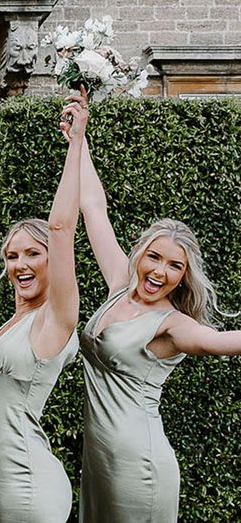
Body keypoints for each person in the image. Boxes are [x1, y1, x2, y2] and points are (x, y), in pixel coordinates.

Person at [78, 109, 241, 523]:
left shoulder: (172, 324)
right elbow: (94, 208)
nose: (159, 272)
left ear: (184, 276)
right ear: (140, 255)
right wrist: (78, 139)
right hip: (99, 461)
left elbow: (226, 343)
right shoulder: (118, 282)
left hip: (140, 465)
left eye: (175, 266)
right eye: (154, 257)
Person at [0, 93, 87, 522]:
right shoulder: (13, 322)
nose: (21, 264)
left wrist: (77, 143)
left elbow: (62, 225)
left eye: (34, 254)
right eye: (12, 256)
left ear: (54, 258)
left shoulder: (55, 319)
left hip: (28, 486)